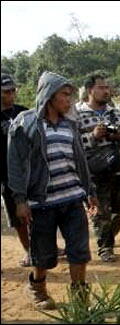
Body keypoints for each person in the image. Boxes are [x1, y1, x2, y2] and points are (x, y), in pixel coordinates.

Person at [8, 71, 98, 310]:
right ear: (49, 96)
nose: (69, 100)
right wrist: (20, 199)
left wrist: (89, 190)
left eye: (70, 95)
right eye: (64, 95)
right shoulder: (26, 124)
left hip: (72, 199)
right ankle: (38, 288)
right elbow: (15, 164)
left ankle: (79, 296)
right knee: (43, 254)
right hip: (42, 203)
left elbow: (80, 161)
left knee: (79, 251)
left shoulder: (70, 124)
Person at [76, 73, 120, 262]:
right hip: (95, 170)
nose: (106, 91)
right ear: (90, 90)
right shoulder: (77, 114)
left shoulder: (115, 112)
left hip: (118, 166)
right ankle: (105, 247)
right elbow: (74, 143)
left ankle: (107, 237)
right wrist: (93, 136)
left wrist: (118, 136)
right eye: (101, 87)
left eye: (107, 87)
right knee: (101, 212)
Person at [1, 73, 31, 267]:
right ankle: (29, 251)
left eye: (13, 90)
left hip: (29, 171)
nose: (12, 94)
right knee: (17, 215)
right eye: (6, 91)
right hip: (6, 174)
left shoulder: (24, 112)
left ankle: (43, 246)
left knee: (39, 210)